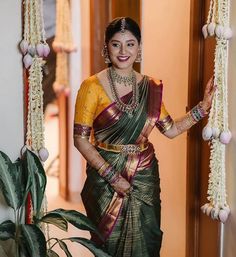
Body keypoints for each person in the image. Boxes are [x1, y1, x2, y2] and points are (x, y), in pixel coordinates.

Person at [73, 17, 215, 257]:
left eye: (130, 43)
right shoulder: (91, 86)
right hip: (106, 178)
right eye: (116, 44)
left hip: (144, 175)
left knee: (146, 240)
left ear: (139, 47)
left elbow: (170, 130)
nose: (123, 51)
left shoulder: (151, 87)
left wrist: (202, 107)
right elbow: (80, 139)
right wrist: (113, 177)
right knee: (109, 244)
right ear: (106, 48)